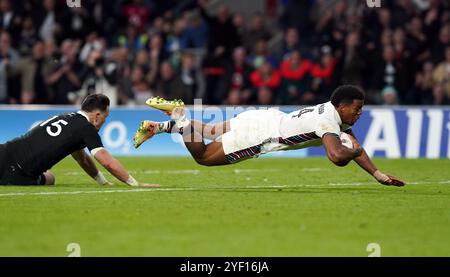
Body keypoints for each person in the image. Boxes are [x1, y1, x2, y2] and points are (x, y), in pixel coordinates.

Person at [133, 85, 405, 187]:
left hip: (263, 117)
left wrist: (378, 175)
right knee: (203, 156)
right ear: (342, 106)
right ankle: (179, 116)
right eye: (357, 110)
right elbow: (337, 156)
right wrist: (353, 153)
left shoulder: (332, 114)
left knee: (205, 130)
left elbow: (354, 144)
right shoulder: (328, 122)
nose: (359, 115)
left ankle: (159, 127)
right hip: (261, 134)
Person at [0, 94, 154, 187]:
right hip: (17, 172)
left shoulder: (67, 117)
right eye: (105, 118)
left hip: (4, 151)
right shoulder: (86, 128)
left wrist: (102, 182)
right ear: (97, 116)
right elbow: (106, 160)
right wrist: (135, 183)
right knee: (50, 178)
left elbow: (81, 157)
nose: (104, 122)